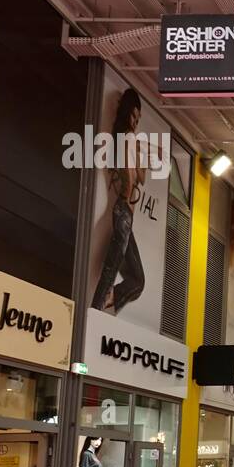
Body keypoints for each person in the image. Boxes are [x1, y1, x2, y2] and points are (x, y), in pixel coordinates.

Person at [91, 88, 148, 314]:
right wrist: (127, 190)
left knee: (137, 279)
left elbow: (142, 178)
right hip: (123, 211)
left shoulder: (131, 139)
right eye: (133, 116)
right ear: (126, 113)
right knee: (110, 270)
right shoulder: (126, 137)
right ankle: (97, 311)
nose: (135, 121)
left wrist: (140, 153)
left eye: (138, 118)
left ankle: (106, 304)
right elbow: (132, 176)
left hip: (127, 216)